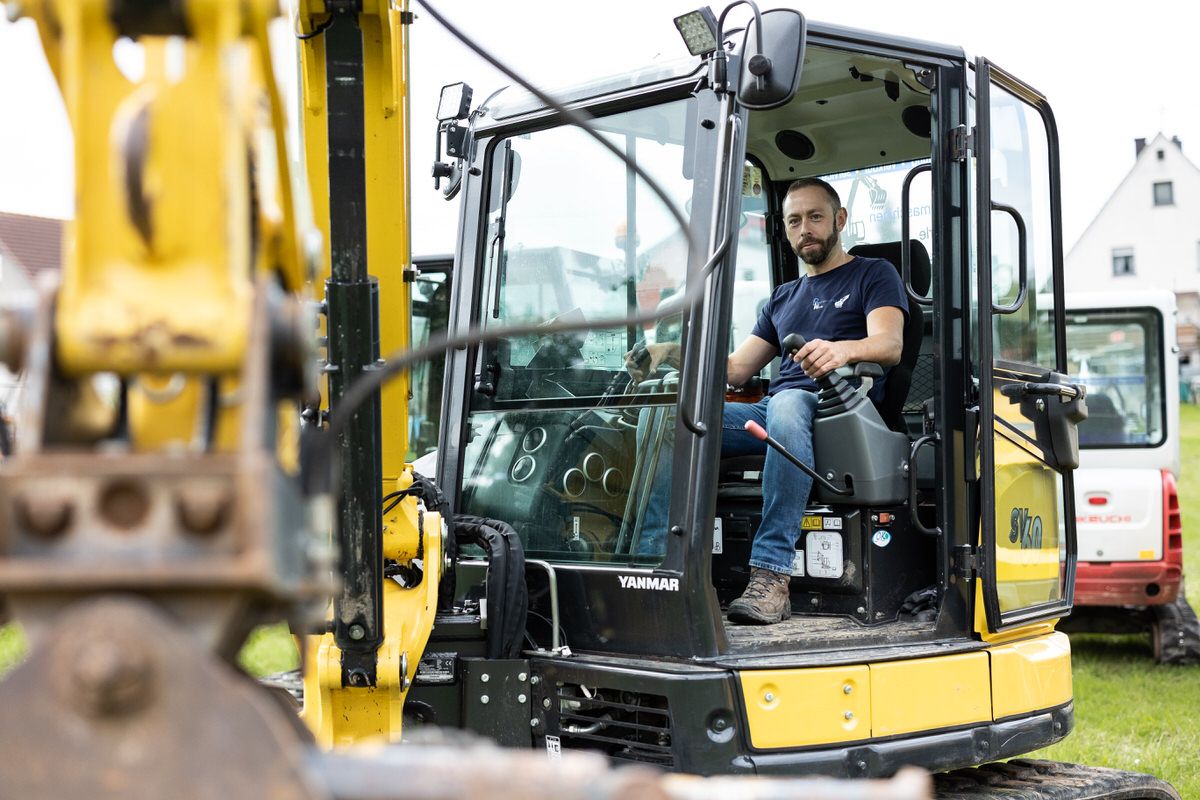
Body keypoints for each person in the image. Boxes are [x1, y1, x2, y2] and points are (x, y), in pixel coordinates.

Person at [625, 177, 907, 624]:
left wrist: (841, 350)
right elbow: (737, 370)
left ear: (839, 220)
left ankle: (771, 577)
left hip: (841, 407)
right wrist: (669, 354)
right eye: (794, 221)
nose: (804, 229)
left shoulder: (872, 274)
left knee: (788, 402)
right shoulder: (782, 297)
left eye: (815, 217)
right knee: (668, 417)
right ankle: (656, 564)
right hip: (778, 412)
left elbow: (889, 345)